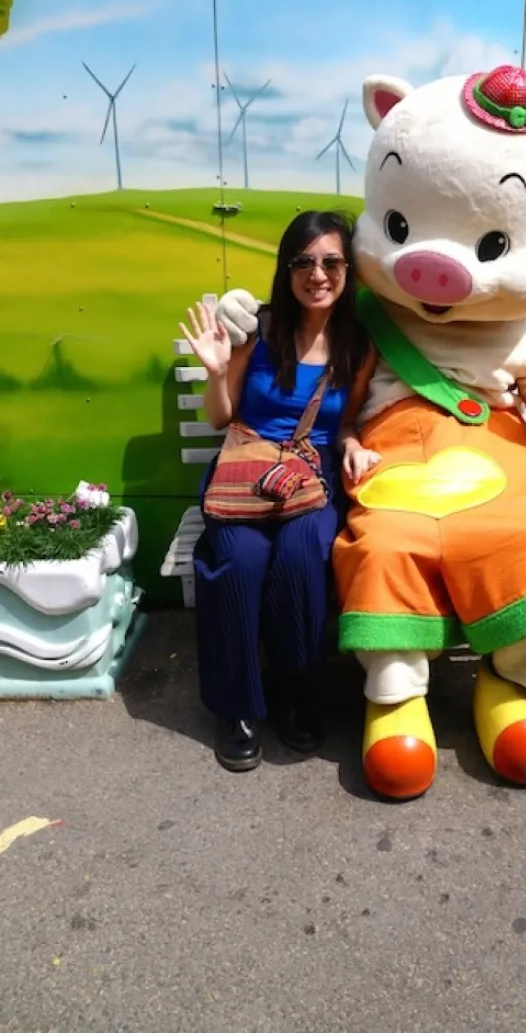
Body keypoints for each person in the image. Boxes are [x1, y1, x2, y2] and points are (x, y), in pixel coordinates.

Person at [179, 211, 379, 773]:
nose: (318, 274)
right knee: (237, 560)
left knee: (300, 556)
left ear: (348, 270)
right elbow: (220, 418)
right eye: (303, 262)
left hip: (311, 479)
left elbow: (345, 421)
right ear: (286, 270)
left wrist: (351, 443)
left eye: (332, 262)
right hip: (245, 472)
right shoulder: (260, 332)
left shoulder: (357, 346)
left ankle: (294, 689)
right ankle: (237, 707)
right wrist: (216, 371)